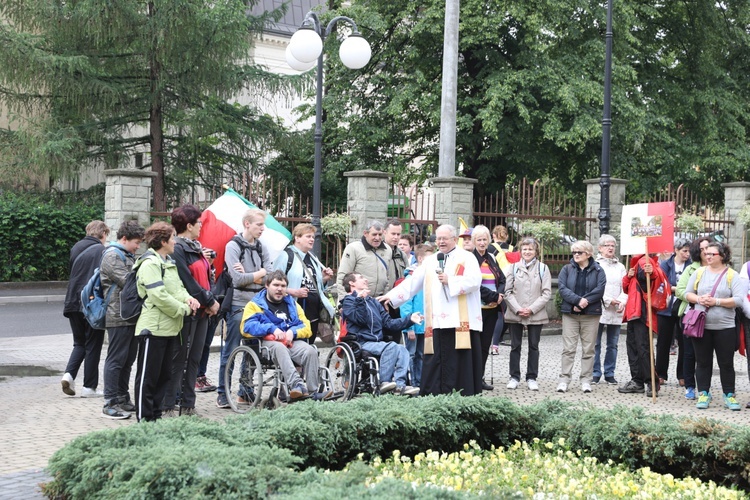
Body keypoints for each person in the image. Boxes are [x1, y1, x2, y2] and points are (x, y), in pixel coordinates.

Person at [382, 224, 483, 396]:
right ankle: (434, 395)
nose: (441, 242)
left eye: (445, 238)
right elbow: (412, 283)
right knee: (437, 359)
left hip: (460, 321)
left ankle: (463, 395)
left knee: (460, 361)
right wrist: (390, 297)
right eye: (438, 238)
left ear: (454, 239)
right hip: (438, 320)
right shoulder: (431, 261)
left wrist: (450, 280)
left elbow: (475, 281)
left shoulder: (467, 258)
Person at [133, 222, 200, 422]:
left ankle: (156, 417)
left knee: (164, 377)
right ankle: (144, 420)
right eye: (171, 238)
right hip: (152, 330)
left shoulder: (168, 262)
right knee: (148, 378)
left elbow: (177, 288)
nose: (174, 241)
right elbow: (158, 296)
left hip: (170, 329)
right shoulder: (150, 264)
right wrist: (184, 309)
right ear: (163, 241)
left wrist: (189, 298)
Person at [163, 205, 220, 417]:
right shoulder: (177, 248)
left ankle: (188, 405)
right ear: (188, 225)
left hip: (203, 312)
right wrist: (209, 299)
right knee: (178, 359)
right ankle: (169, 405)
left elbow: (207, 277)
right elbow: (186, 282)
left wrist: (211, 299)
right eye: (199, 223)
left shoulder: (195, 246)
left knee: (194, 358)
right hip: (188, 311)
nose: (201, 227)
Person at [242, 271, 331, 400]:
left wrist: (292, 332)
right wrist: (272, 329)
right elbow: (247, 326)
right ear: (267, 285)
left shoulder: (293, 305)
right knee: (279, 348)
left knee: (310, 351)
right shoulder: (254, 305)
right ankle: (296, 385)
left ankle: (313, 391)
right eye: (276, 285)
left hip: (291, 340)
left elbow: (306, 326)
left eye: (283, 286)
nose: (279, 289)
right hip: (267, 342)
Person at [216, 209, 272, 409]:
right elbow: (238, 279)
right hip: (239, 303)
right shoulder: (233, 246)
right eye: (258, 224)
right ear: (247, 224)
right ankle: (222, 392)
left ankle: (245, 393)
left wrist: (255, 274)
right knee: (231, 349)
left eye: (263, 225)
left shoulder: (261, 247)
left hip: (258, 303)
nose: (262, 229)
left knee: (252, 349)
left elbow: (270, 278)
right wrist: (260, 273)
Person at [684, 241, 744, 411]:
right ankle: (703, 392)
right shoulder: (699, 272)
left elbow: (739, 300)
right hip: (701, 326)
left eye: (712, 254)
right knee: (702, 362)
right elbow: (687, 293)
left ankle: (729, 395)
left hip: (725, 327)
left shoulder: (732, 275)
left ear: (723, 256)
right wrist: (698, 299)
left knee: (726, 363)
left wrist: (716, 301)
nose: (708, 256)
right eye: (706, 253)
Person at [342, 272, 421, 395]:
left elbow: (389, 323)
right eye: (361, 277)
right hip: (361, 342)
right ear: (351, 283)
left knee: (402, 349)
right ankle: (384, 382)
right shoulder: (348, 302)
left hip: (377, 343)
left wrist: (409, 319)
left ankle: (400, 385)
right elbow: (360, 320)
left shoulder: (373, 302)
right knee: (392, 346)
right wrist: (360, 300)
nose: (366, 279)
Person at [100, 220, 145, 419]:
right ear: (124, 238)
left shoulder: (128, 255)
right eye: (136, 242)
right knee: (116, 359)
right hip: (117, 316)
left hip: (130, 315)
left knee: (127, 359)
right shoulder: (111, 256)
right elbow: (129, 282)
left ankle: (122, 397)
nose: (138, 246)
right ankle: (110, 401)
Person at [61, 220, 110, 398]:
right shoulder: (103, 251)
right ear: (103, 234)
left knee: (79, 343)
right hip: (90, 303)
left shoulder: (76, 247)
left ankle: (69, 374)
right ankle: (89, 388)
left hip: (72, 301)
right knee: (93, 345)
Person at [556, 240, 606, 393]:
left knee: (589, 349)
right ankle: (564, 379)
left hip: (590, 315)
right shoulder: (567, 269)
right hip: (570, 314)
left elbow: (600, 289)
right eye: (574, 252)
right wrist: (577, 301)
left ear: (589, 254)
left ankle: (586, 380)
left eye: (580, 252)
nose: (576, 255)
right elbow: (562, 288)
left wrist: (585, 302)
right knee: (568, 349)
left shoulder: (598, 270)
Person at [273, 223, 335, 345]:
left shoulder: (313, 258)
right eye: (308, 236)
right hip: (294, 308)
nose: (312, 239)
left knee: (309, 343)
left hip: (314, 311)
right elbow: (273, 284)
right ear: (297, 238)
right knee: (296, 344)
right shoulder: (286, 256)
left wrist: (324, 279)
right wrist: (293, 291)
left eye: (313, 237)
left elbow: (315, 285)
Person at [503, 237, 551, 391]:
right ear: (520, 251)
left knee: (533, 347)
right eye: (524, 249)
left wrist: (531, 309)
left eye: (530, 249)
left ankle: (531, 377)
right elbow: (507, 291)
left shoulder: (543, 268)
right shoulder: (513, 268)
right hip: (515, 314)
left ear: (536, 251)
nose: (527, 252)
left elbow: (546, 293)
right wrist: (518, 309)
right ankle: (514, 377)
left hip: (535, 314)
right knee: (515, 346)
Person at [617, 253, 668, 397]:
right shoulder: (636, 262)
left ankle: (650, 382)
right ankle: (639, 381)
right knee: (634, 347)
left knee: (641, 347)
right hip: (635, 311)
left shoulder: (644, 260)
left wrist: (650, 273)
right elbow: (628, 288)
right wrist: (628, 276)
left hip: (642, 312)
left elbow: (653, 278)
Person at [674, 237, 710, 400]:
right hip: (692, 316)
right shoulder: (691, 269)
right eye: (702, 249)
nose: (705, 252)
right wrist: (696, 297)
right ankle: (689, 386)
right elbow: (679, 290)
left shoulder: (722, 269)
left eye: (708, 248)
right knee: (689, 353)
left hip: (713, 317)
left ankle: (705, 388)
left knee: (707, 354)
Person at [471, 225, 506, 391]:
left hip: (492, 309)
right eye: (479, 240)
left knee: (485, 345)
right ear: (474, 241)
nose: (482, 243)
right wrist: (492, 296)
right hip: (475, 309)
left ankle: (481, 377)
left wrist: (499, 296)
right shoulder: (470, 259)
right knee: (474, 346)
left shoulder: (492, 257)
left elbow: (503, 279)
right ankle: (471, 378)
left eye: (485, 239)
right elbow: (473, 284)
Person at [655, 238, 691, 387]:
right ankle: (661, 373)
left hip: (685, 308)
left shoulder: (691, 267)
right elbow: (661, 284)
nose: (687, 254)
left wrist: (676, 289)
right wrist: (679, 289)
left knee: (684, 342)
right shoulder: (665, 264)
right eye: (684, 251)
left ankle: (682, 375)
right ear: (676, 250)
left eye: (688, 251)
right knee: (663, 342)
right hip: (666, 308)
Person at [592, 235, 627, 385]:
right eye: (607, 245)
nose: (610, 248)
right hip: (599, 307)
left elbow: (625, 286)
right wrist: (608, 300)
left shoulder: (620, 266)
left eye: (613, 245)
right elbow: (595, 286)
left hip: (617, 309)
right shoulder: (595, 265)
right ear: (600, 248)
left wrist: (621, 301)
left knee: (613, 344)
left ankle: (609, 373)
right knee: (595, 343)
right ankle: (594, 373)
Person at [400, 243, 434, 387]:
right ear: (420, 259)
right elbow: (406, 304)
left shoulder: (430, 278)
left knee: (421, 355)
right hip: (414, 325)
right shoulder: (412, 279)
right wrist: (409, 327)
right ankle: (410, 382)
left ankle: (419, 382)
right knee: (411, 354)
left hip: (425, 325)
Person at [336, 220, 393, 300]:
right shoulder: (353, 248)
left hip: (379, 301)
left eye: (380, 234)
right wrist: (343, 301)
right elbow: (343, 276)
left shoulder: (388, 250)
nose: (377, 238)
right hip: (358, 300)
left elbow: (387, 277)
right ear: (365, 233)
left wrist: (386, 298)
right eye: (374, 234)